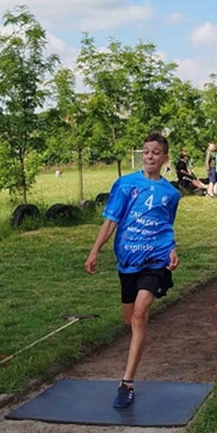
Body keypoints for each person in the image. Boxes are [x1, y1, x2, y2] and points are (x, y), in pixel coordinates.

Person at [85, 131, 181, 409]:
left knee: (139, 315)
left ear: (165, 158)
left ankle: (126, 383)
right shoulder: (125, 185)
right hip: (127, 262)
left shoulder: (171, 193)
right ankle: (139, 336)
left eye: (155, 152)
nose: (150, 156)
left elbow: (166, 225)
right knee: (131, 320)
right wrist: (95, 251)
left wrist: (172, 249)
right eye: (146, 151)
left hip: (156, 261)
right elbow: (110, 221)